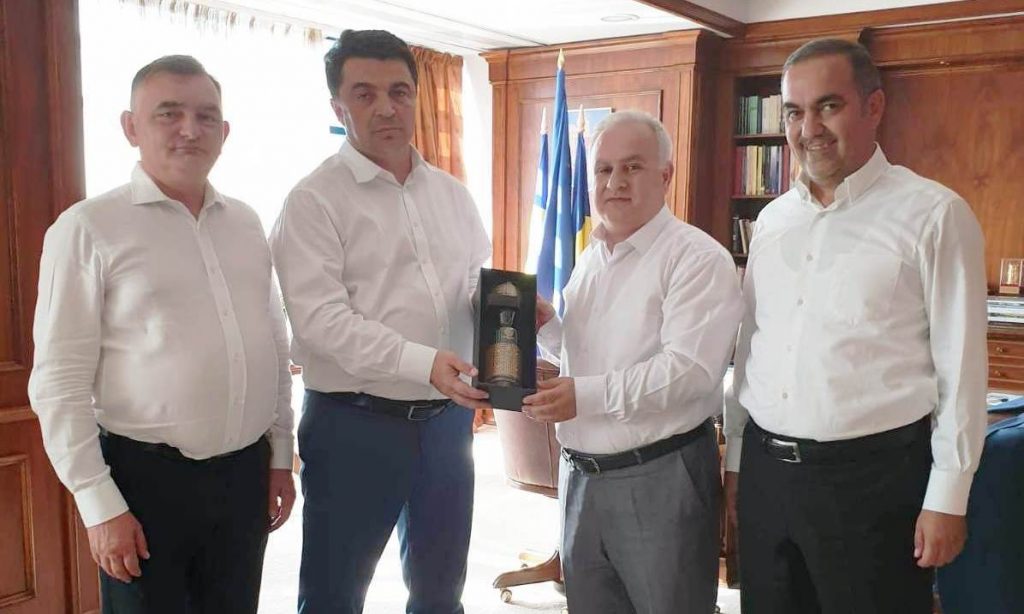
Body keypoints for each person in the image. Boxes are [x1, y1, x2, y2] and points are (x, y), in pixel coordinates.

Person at [723, 38, 987, 614]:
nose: (808, 128)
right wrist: (738, 459)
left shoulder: (934, 215)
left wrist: (949, 496)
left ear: (873, 107)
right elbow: (752, 348)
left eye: (828, 106)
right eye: (794, 112)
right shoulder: (772, 220)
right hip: (768, 475)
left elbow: (963, 369)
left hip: (874, 485)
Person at [29, 55, 295, 613]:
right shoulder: (87, 228)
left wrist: (279, 455)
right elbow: (59, 382)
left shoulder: (246, 223)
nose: (189, 129)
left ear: (225, 131)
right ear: (131, 127)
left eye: (206, 116)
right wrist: (99, 505)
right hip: (145, 482)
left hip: (244, 475)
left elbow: (271, 344)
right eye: (168, 113)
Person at [269, 29, 491, 613]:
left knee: (441, 592)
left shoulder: (453, 195)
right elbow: (321, 322)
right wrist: (423, 363)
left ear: (417, 97)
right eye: (364, 94)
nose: (386, 107)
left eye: (399, 91)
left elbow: (469, 284)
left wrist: (508, 311)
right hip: (353, 425)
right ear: (337, 107)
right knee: (334, 596)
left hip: (446, 426)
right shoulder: (313, 201)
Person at [524, 110, 744, 614]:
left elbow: (688, 373)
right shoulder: (591, 256)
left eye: (632, 167)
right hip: (580, 478)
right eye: (603, 169)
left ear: (665, 175)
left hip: (659, 476)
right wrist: (548, 330)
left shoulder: (696, 258)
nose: (615, 182)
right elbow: (592, 354)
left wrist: (583, 396)